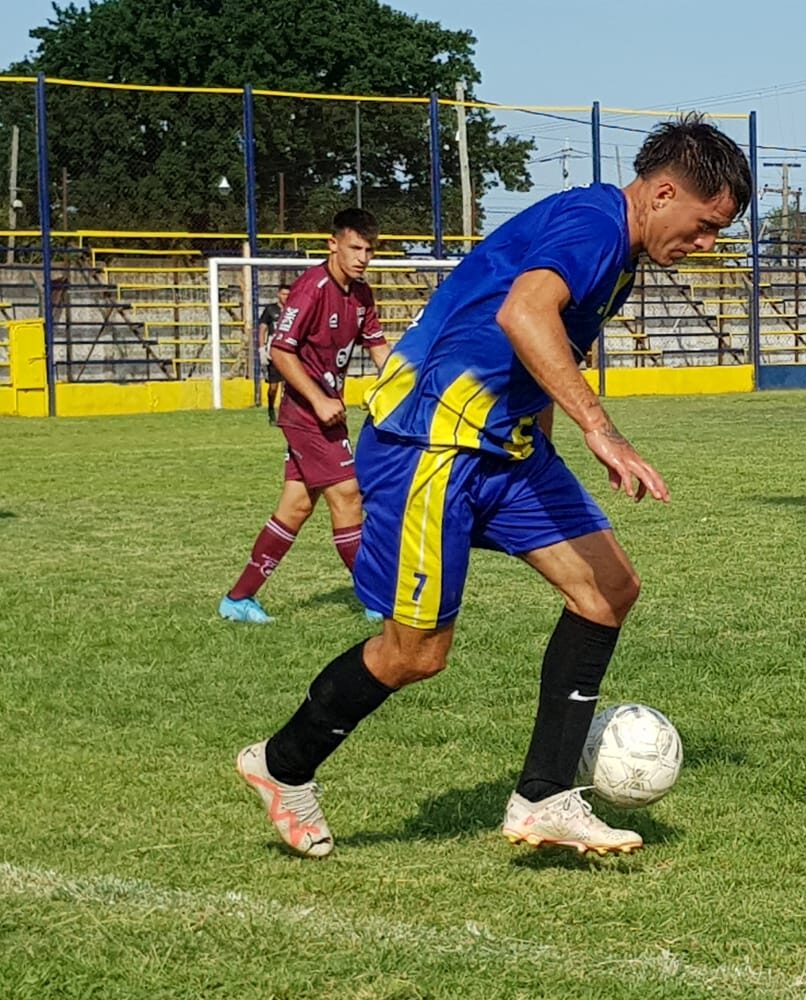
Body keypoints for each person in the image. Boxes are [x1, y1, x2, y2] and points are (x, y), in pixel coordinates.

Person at [235, 116, 751, 858]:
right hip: (431, 442)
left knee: (608, 589)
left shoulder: (620, 251)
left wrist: (543, 446)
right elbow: (523, 312)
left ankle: (545, 798)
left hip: (503, 451)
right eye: (706, 227)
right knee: (416, 653)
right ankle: (282, 766)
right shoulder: (595, 224)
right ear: (665, 192)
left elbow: (540, 347)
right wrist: (602, 432)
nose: (705, 246)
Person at [219, 210, 389, 625]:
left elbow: (381, 350)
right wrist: (317, 399)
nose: (362, 257)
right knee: (348, 496)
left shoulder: (362, 295)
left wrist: (408, 386)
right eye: (355, 248)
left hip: (328, 415)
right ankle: (378, 598)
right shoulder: (311, 289)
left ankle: (239, 599)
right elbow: (280, 350)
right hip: (306, 415)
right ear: (333, 244)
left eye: (368, 250)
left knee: (294, 508)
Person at [259, 284, 292, 425]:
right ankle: (271, 409)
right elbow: (262, 328)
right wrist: (261, 348)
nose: (286, 297)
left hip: (289, 352)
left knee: (288, 386)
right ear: (278, 294)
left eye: (288, 294)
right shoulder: (270, 310)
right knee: (273, 387)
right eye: (284, 294)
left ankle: (285, 414)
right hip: (273, 351)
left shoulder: (293, 310)